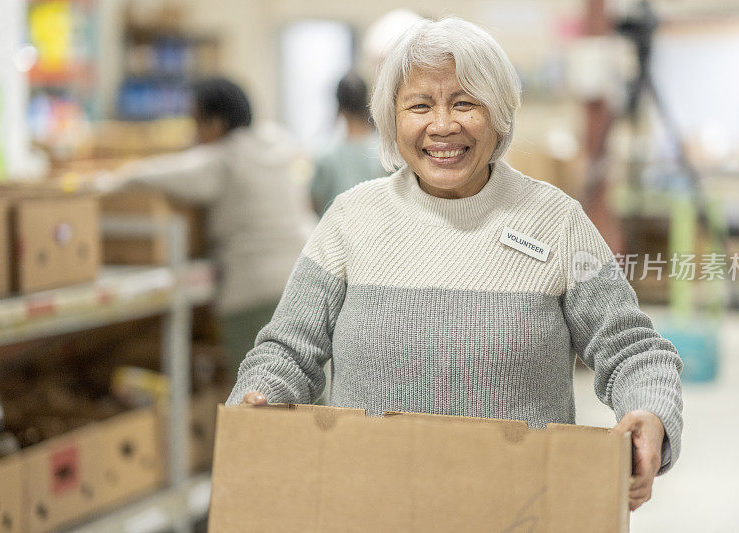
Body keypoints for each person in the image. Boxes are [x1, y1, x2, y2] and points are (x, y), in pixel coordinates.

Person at [227, 18, 683, 512]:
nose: (442, 125)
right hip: (370, 507)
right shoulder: (350, 220)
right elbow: (289, 347)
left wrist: (650, 411)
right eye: (419, 105)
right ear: (391, 118)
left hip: (519, 510)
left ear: (501, 113)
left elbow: (633, 349)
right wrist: (259, 395)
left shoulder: (557, 222)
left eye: (465, 102)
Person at [103, 77, 312, 376]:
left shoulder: (225, 160)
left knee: (262, 398)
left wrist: (105, 183)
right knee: (308, 391)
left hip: (254, 291)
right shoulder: (279, 145)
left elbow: (154, 175)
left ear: (216, 123)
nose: (194, 134)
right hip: (303, 283)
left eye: (196, 122)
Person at [309, 72, 386, 217]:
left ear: (339, 105)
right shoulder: (385, 152)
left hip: (334, 234)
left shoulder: (326, 155)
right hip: (379, 234)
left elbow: (315, 203)